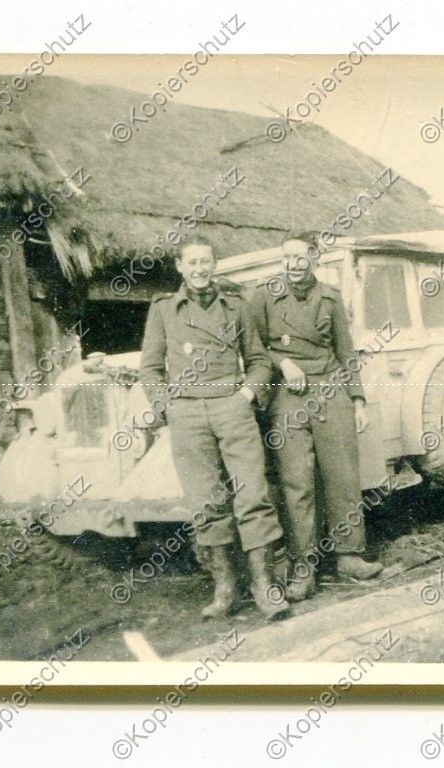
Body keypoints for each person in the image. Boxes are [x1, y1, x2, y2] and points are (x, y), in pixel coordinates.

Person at [139, 236, 289, 621]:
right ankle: (225, 588)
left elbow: (259, 360)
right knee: (206, 502)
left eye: (205, 261)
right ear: (179, 266)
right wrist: (167, 406)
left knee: (253, 494)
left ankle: (264, 585)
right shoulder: (163, 309)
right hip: (187, 413)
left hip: (231, 407)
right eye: (192, 262)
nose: (199, 269)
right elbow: (150, 368)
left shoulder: (236, 306)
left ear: (214, 264)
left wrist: (246, 396)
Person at [250, 232, 383, 602]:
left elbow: (346, 352)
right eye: (287, 257)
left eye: (300, 257)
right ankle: (303, 567)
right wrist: (283, 362)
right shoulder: (263, 296)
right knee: (297, 481)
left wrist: (358, 400)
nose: (293, 264)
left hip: (331, 390)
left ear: (314, 258)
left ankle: (350, 556)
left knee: (343, 475)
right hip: (288, 394)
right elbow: (254, 348)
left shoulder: (330, 297)